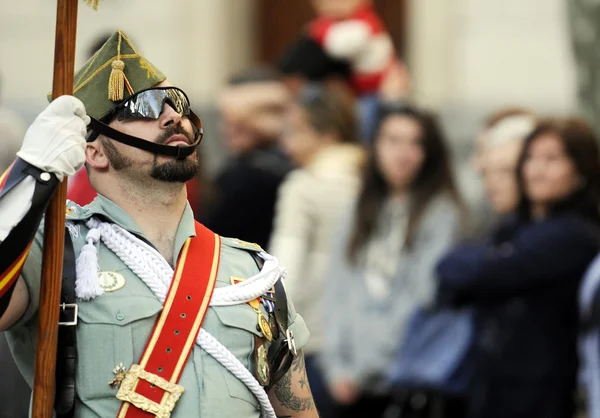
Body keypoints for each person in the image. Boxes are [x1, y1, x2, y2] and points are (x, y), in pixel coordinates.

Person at [0, 30, 316, 418]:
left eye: (176, 101)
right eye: (143, 106)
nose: (172, 115)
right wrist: (30, 173)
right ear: (94, 151)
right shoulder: (54, 253)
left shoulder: (252, 273)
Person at [437, 117, 600, 418]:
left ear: (580, 169)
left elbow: (484, 273)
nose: (536, 170)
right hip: (491, 388)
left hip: (544, 394)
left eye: (552, 159)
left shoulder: (576, 235)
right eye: (531, 159)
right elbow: (449, 269)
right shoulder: (514, 226)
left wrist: (489, 267)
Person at [322, 105, 465, 418]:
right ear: (375, 146)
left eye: (416, 143)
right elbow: (337, 289)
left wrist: (367, 367)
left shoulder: (442, 214)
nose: (404, 153)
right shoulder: (359, 207)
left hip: (406, 380)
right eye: (393, 140)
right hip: (351, 382)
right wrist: (337, 366)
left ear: (431, 153)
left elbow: (422, 297)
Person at [269, 84, 365, 417]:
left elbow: (284, 275)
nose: (285, 144)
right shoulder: (372, 184)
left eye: (295, 132)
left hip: (315, 344)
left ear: (327, 135)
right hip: (369, 347)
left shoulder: (303, 187)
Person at [202, 67, 293, 249]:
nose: (226, 129)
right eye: (224, 119)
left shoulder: (248, 178)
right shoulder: (237, 171)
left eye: (239, 121)